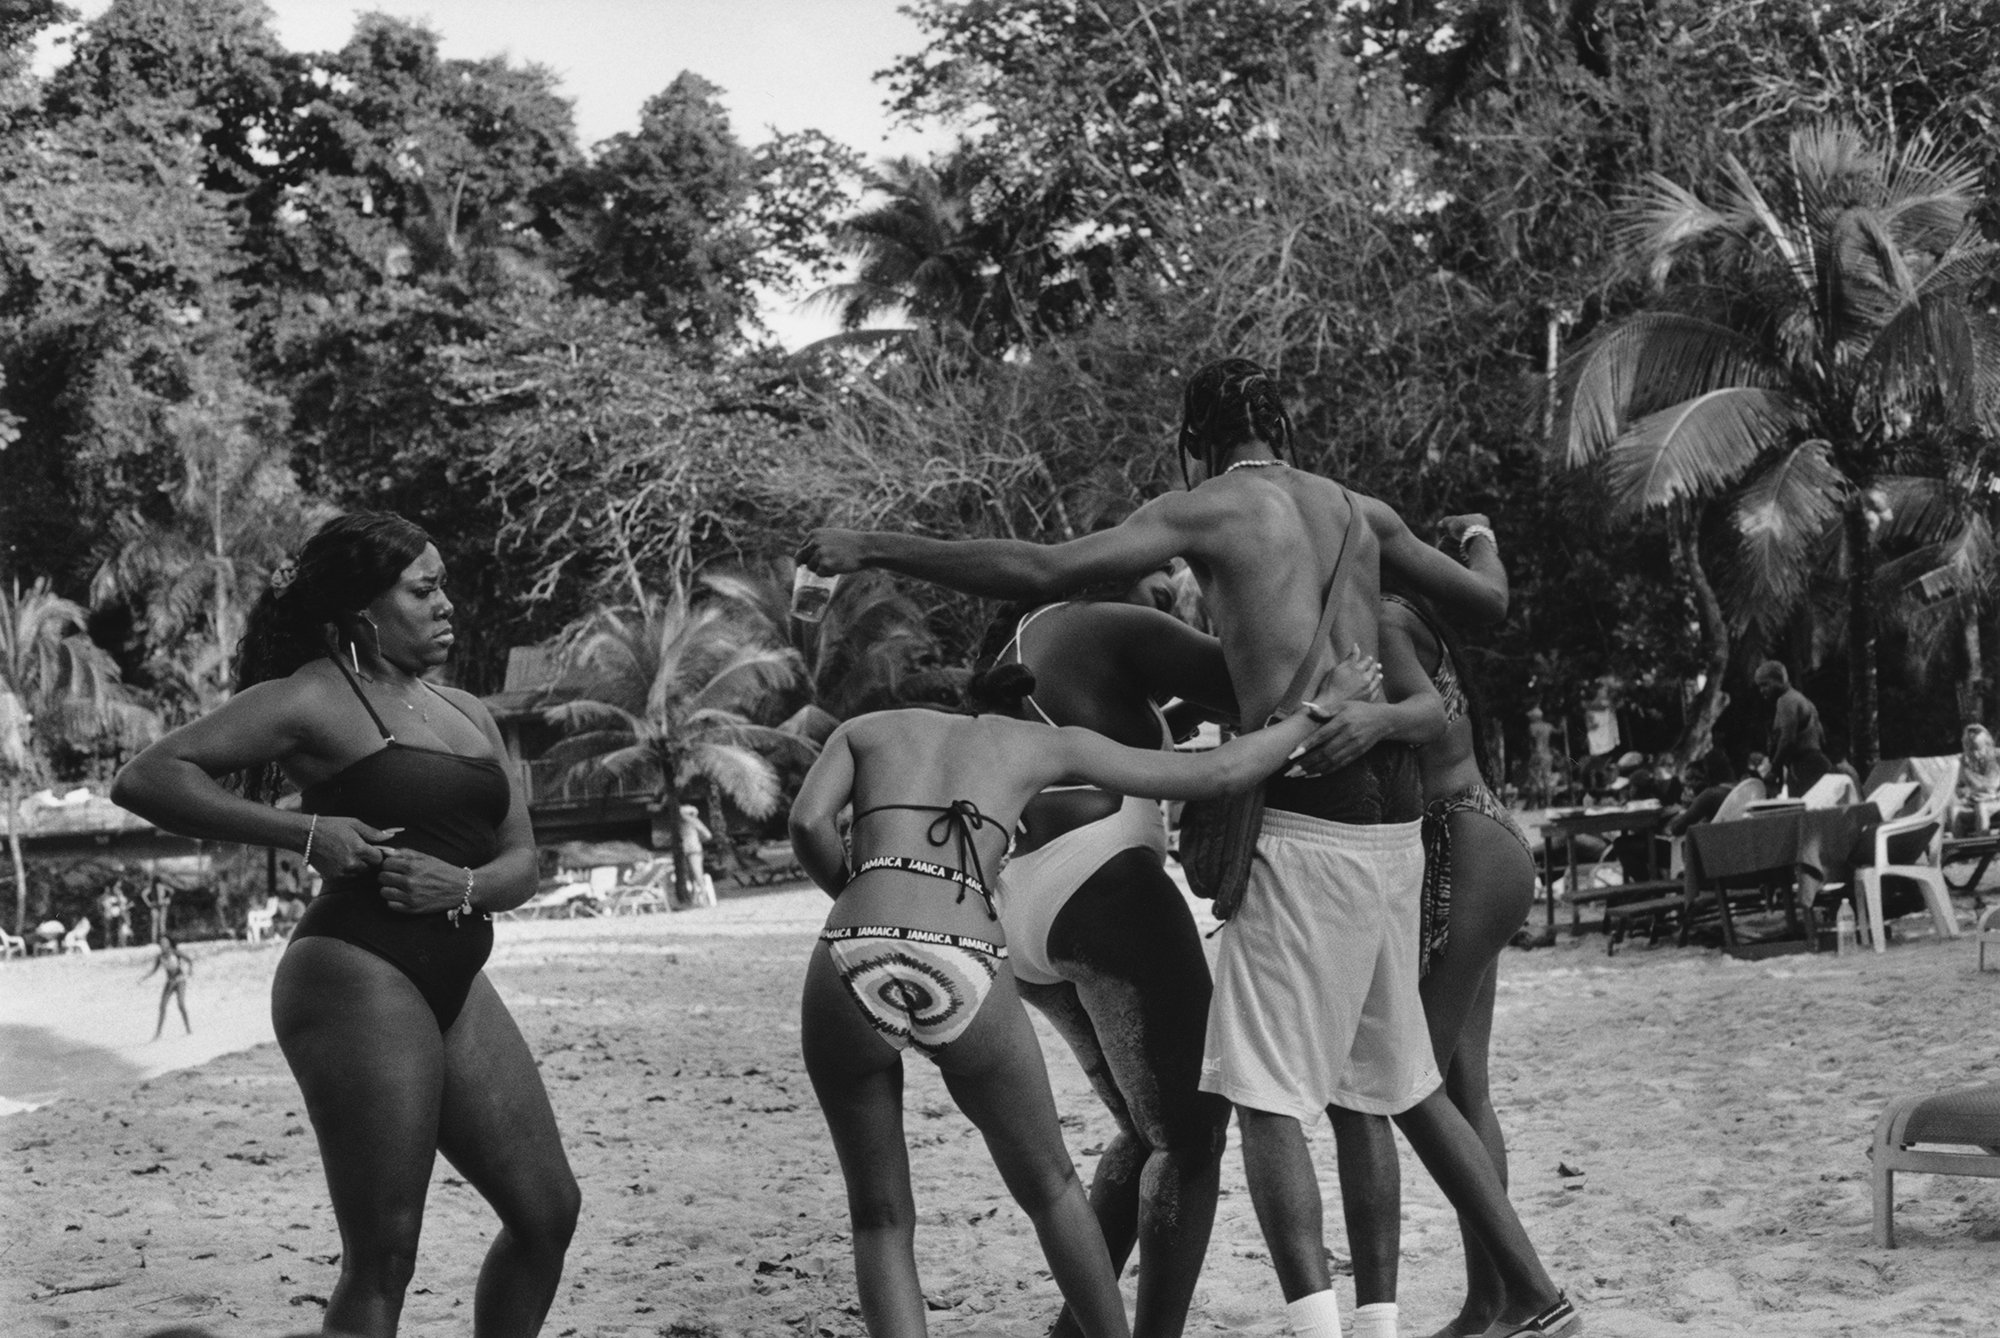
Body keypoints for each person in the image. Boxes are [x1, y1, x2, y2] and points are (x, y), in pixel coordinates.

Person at [800, 358, 1578, 1338]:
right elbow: (1477, 613)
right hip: (1374, 829)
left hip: (1139, 869)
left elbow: (1047, 571)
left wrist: (870, 544)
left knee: (1226, 1107)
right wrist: (1477, 549)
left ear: (1191, 444)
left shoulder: (1188, 526)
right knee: (1339, 1101)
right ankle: (1482, 1306)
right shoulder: (1358, 516)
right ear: (1284, 429)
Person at [789, 649, 1381, 1338]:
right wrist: (1319, 707)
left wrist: (863, 901)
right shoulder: (1043, 741)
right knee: (1050, 1189)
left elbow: (807, 825)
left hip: (851, 952)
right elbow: (1217, 772)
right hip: (962, 953)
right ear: (1018, 700)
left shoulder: (865, 728)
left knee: (882, 1217)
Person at [111, 511, 578, 1338]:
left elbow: (521, 867)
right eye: (423, 589)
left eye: (443, 587)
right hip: (357, 971)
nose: (447, 605)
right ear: (363, 606)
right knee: (385, 1255)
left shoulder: (469, 710)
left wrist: (459, 883)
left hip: (458, 979)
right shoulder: (313, 696)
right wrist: (305, 831)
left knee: (547, 1213)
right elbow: (147, 777)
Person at [970, 568, 1241, 1338]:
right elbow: (1255, 678)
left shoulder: (1040, 644)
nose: (1177, 582)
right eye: (1162, 569)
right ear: (1111, 566)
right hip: (1104, 885)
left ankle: (1074, 1331)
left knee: (1143, 1130)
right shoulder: (1108, 624)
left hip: (1025, 908)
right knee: (1190, 1139)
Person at [1376, 582, 1550, 1337]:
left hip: (1461, 846)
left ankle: (1527, 1291)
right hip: (1484, 837)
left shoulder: (1379, 622)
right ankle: (1492, 1303)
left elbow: (1426, 715)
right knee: (1463, 1085)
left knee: (1407, 1081)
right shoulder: (1405, 613)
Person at [1754, 662, 1829, 796]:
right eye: (1759, 687)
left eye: (1765, 684)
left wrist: (1774, 771)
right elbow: (1822, 738)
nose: (1762, 691)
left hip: (1805, 767)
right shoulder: (1804, 700)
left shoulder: (1785, 701)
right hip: (1818, 764)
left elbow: (1788, 740)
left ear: (1780, 679)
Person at [141, 933, 194, 1037]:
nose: (163, 944)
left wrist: (190, 971)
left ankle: (188, 1029)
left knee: (181, 1004)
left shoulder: (175, 952)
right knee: (162, 1006)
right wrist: (145, 977)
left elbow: (189, 960)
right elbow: (154, 970)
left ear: (169, 943)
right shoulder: (160, 956)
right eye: (161, 942)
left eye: (165, 942)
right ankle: (158, 1033)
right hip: (169, 982)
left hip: (180, 980)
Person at [1952, 724, 2000, 836]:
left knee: (1981, 806)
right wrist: (1967, 793)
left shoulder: (1998, 757)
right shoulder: (1963, 762)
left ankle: (1984, 845)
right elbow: (1959, 788)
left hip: (1996, 802)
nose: (1973, 753)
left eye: (1977, 749)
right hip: (1974, 804)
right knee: (1953, 810)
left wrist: (1992, 796)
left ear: (1988, 745)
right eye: (1969, 749)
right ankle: (1961, 848)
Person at [678, 803, 717, 906]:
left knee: (697, 873)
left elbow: (708, 835)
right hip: (685, 851)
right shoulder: (680, 824)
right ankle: (695, 899)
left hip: (693, 851)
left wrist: (697, 841)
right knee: (690, 876)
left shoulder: (693, 822)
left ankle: (704, 896)